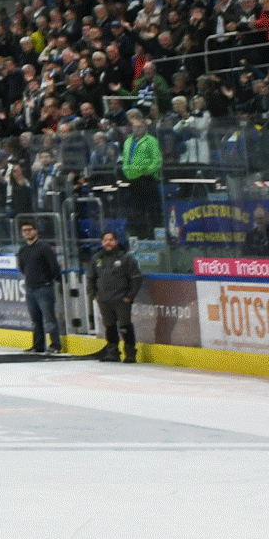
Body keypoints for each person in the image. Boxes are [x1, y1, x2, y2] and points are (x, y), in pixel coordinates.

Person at [13, 218, 66, 355]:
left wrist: (47, 279)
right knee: (35, 320)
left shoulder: (44, 248)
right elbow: (22, 268)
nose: (27, 233)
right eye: (24, 230)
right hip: (30, 288)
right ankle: (38, 345)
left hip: (44, 288)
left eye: (30, 230)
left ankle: (55, 345)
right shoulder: (23, 250)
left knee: (49, 319)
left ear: (35, 231)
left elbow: (54, 267)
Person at [89, 230, 141, 362]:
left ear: (116, 241)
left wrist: (130, 296)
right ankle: (113, 352)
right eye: (105, 240)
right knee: (110, 327)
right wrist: (94, 295)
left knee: (125, 326)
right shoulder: (97, 258)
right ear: (102, 242)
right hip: (104, 300)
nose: (108, 242)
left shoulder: (126, 257)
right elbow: (90, 278)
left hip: (121, 299)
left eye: (111, 240)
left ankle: (130, 353)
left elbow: (136, 278)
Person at [120, 110, 163, 237]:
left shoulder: (151, 141)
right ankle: (141, 234)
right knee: (137, 210)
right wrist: (125, 169)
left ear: (145, 128)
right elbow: (125, 157)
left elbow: (157, 159)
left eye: (140, 127)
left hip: (146, 179)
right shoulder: (128, 141)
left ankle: (155, 233)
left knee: (152, 208)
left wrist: (148, 170)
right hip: (132, 179)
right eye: (135, 127)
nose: (137, 129)